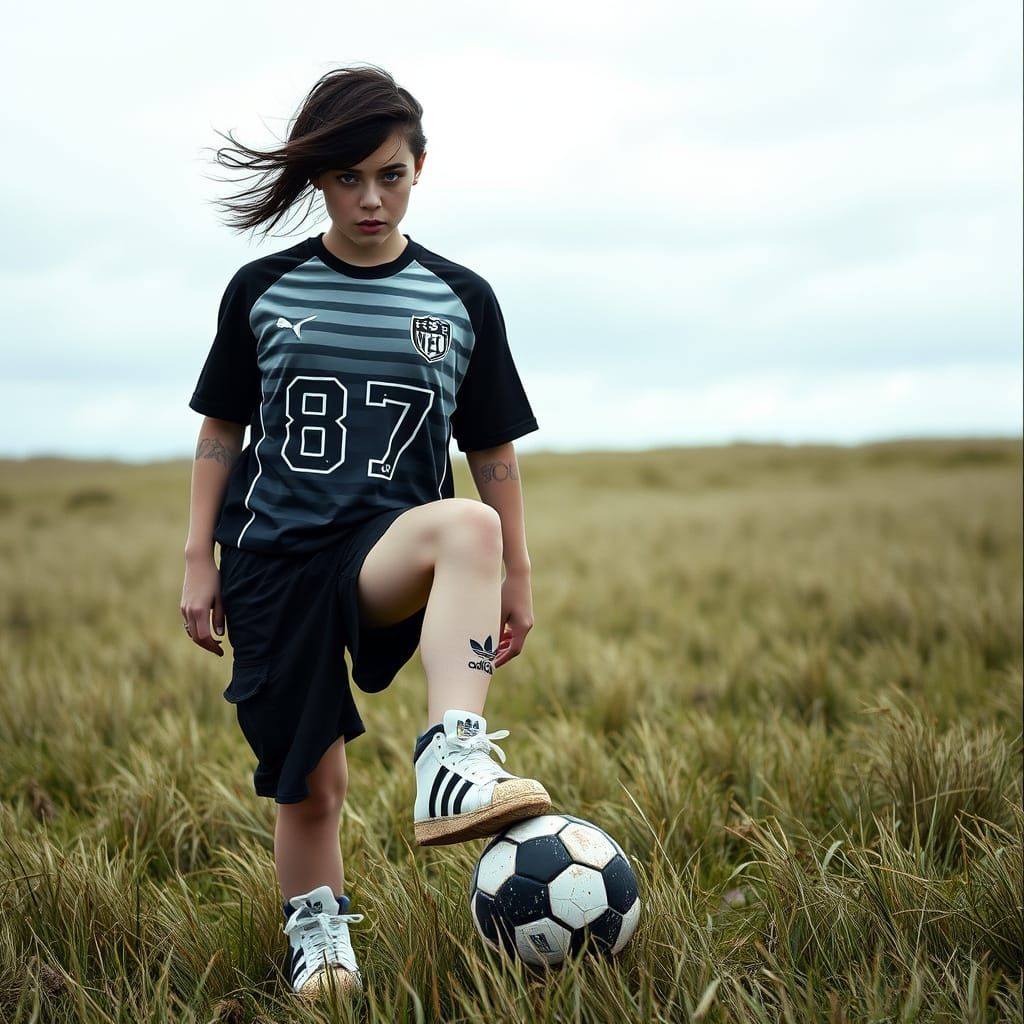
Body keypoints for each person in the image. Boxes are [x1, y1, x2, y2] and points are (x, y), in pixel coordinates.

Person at [179, 65, 549, 1000]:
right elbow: (222, 431)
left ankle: (451, 763)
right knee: (311, 785)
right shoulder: (262, 289)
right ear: (318, 181)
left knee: (466, 521)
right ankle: (321, 945)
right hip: (273, 564)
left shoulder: (460, 298)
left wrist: (516, 570)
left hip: (383, 553)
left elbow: (491, 447)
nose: (370, 198)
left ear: (421, 166)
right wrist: (198, 558)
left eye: (389, 174)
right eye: (348, 178)